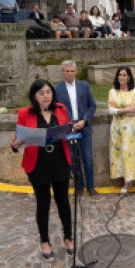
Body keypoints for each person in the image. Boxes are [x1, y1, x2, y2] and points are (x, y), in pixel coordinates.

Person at [10, 79, 74, 260]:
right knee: (43, 204)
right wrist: (16, 144)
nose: (46, 96)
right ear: (34, 96)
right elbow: (17, 140)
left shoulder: (60, 109)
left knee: (64, 203)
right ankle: (45, 242)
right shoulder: (25, 114)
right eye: (41, 93)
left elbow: (67, 129)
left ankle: (68, 237)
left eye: (48, 92)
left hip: (60, 162)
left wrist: (70, 130)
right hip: (38, 166)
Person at [53, 61, 97, 196]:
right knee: (73, 159)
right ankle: (79, 187)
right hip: (69, 129)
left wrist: (84, 120)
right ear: (62, 72)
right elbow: (55, 110)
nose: (70, 73)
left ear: (76, 72)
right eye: (67, 71)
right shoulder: (56, 89)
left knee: (87, 158)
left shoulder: (84, 86)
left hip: (84, 126)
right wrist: (68, 124)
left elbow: (93, 106)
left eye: (72, 71)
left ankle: (91, 187)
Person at [108, 66, 135, 196]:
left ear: (129, 77)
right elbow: (111, 111)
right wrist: (126, 109)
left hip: (132, 129)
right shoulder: (112, 92)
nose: (121, 77)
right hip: (118, 129)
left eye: (124, 75)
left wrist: (119, 110)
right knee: (122, 154)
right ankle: (127, 182)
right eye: (119, 75)